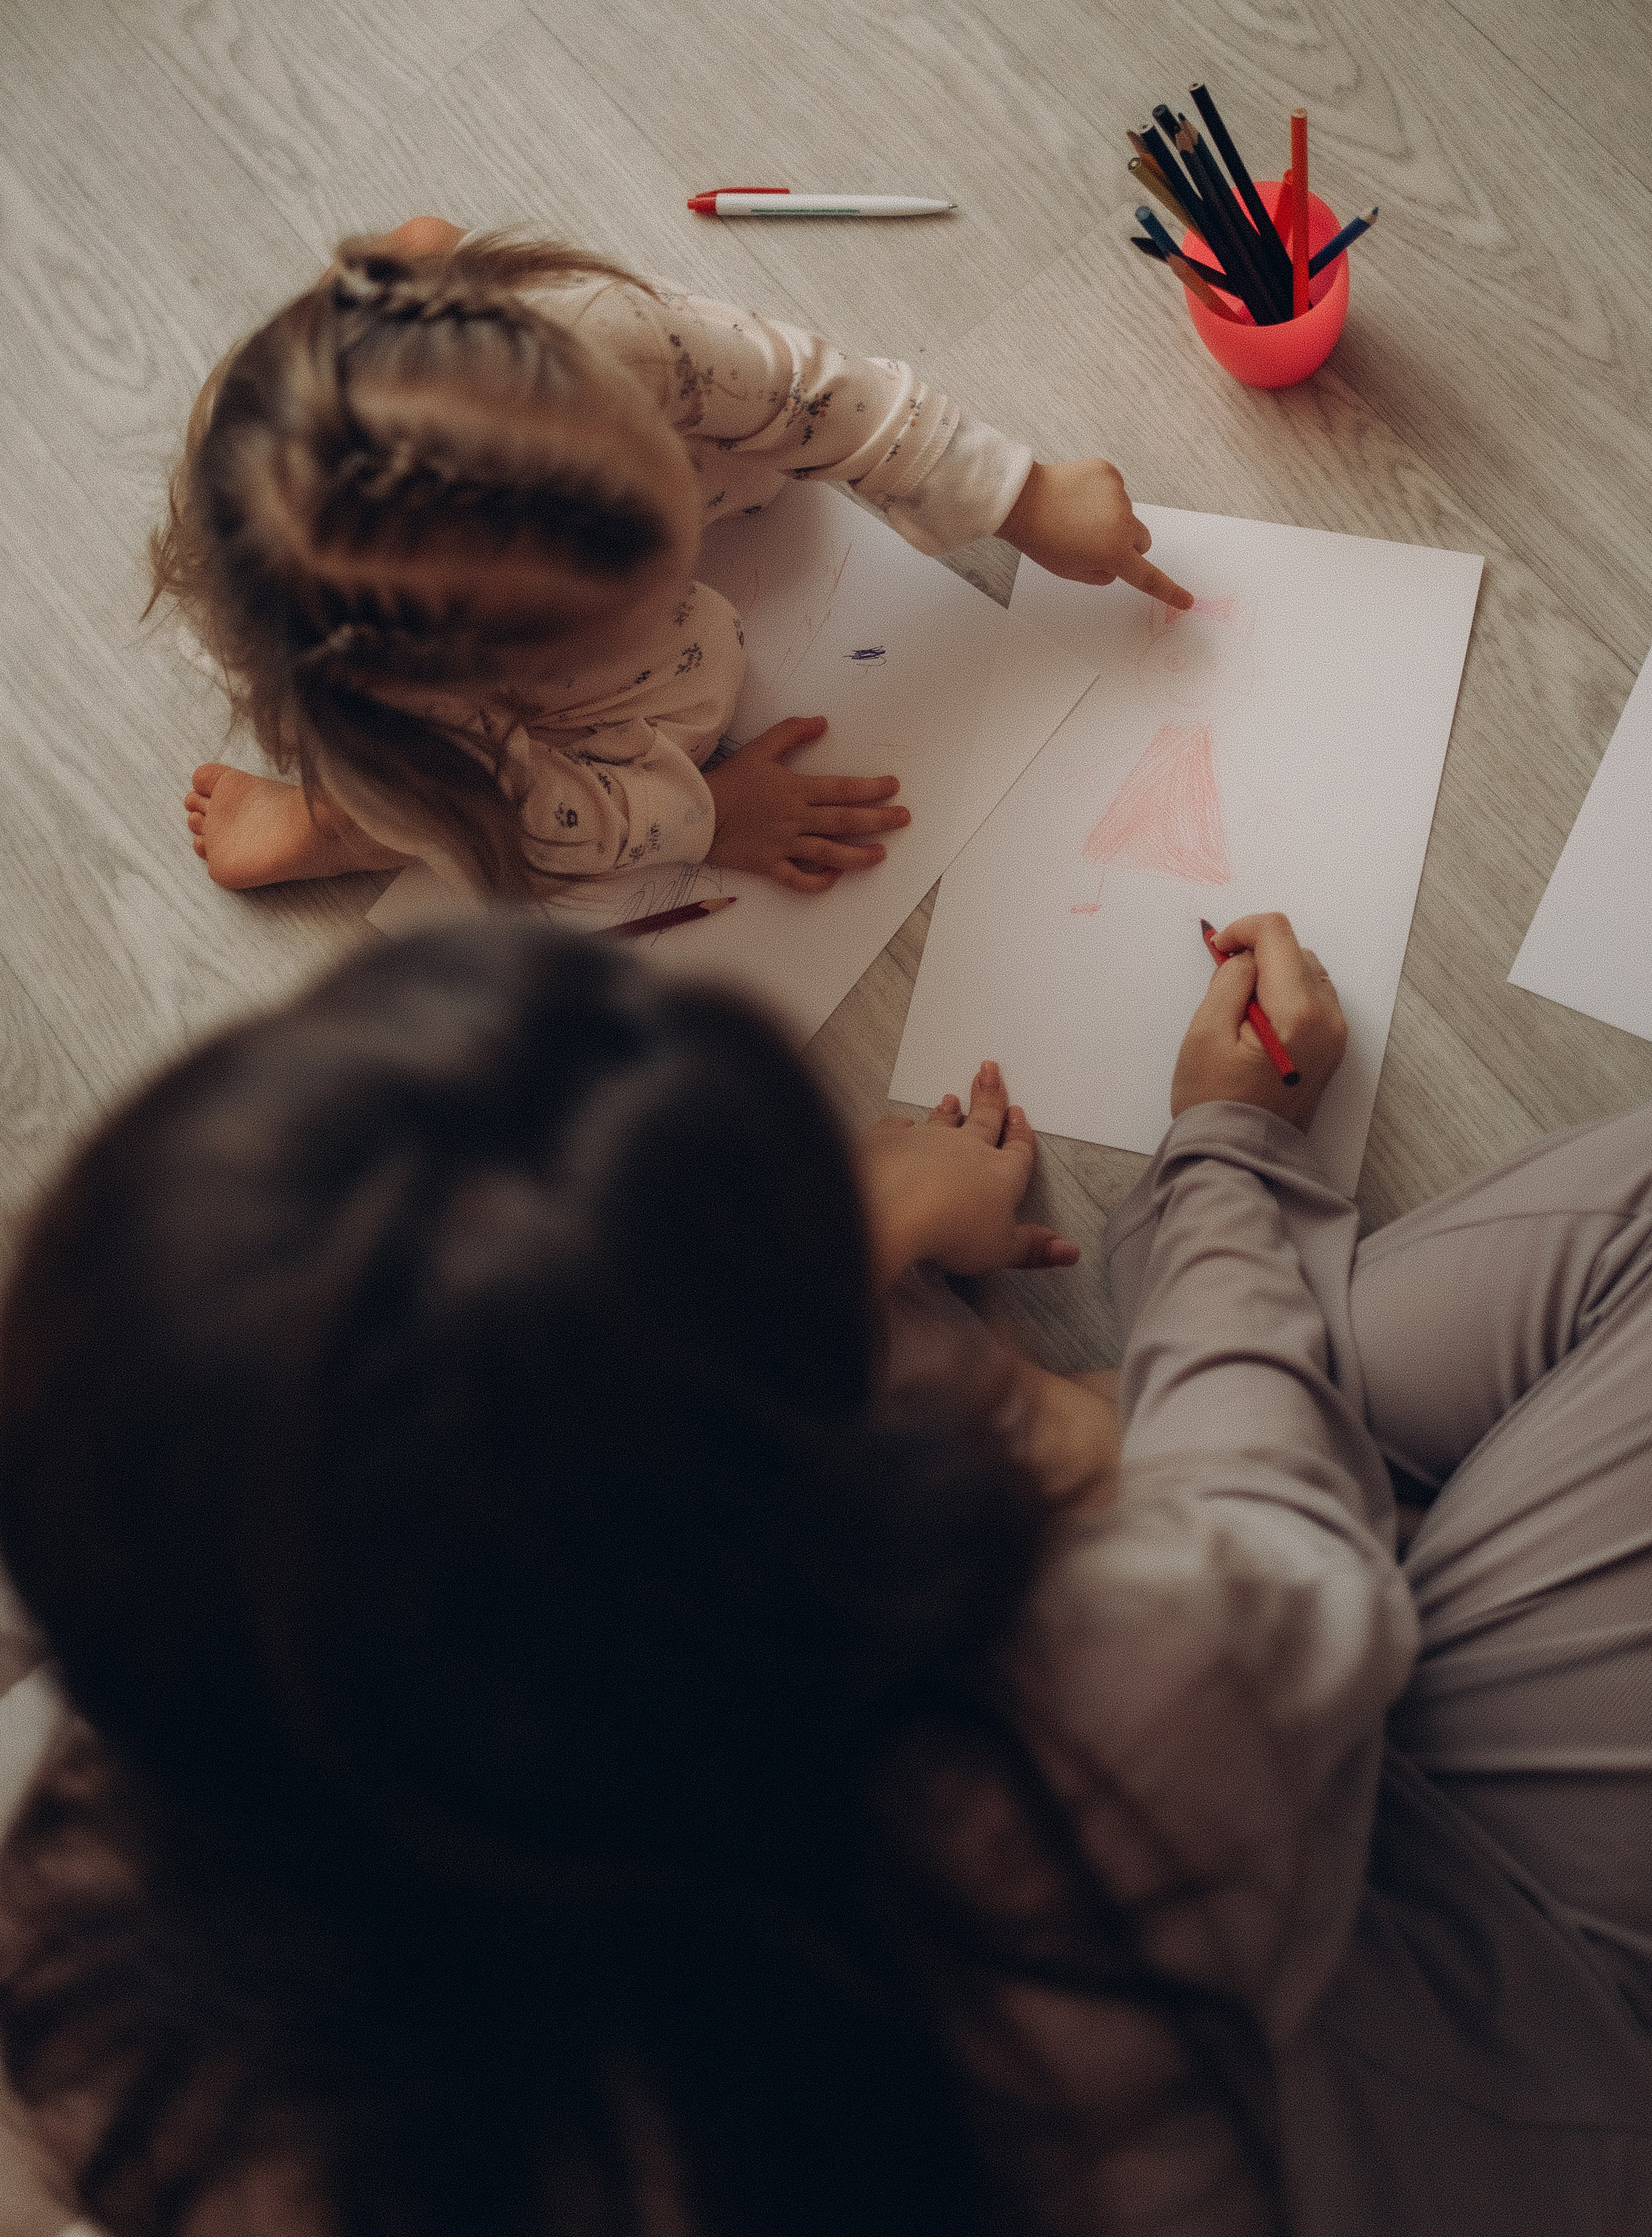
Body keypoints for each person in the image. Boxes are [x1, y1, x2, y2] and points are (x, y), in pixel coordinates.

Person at [2, 917, 1650, 2237]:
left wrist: (725, 1297)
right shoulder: (1079, 1746)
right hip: (1471, 2047)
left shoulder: (88, 1943)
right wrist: (1219, 1155)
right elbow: (1276, 1541)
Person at [162, 218, 1187, 901]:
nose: (685, 571)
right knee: (675, 684)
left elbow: (799, 390)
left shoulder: (596, 330)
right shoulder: (417, 716)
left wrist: (1017, 494)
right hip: (407, 724)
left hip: (401, 469)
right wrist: (703, 817)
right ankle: (340, 827)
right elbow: (561, 826)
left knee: (762, 439)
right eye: (636, 596)